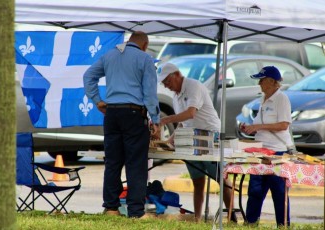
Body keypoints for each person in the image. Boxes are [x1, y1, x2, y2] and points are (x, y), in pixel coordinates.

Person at [83, 31, 161, 219]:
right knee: (135, 164)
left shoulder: (109, 55)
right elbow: (150, 93)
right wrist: (156, 120)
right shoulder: (145, 59)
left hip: (112, 113)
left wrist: (97, 100)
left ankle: (111, 208)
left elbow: (88, 77)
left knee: (113, 162)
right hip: (134, 114)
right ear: (145, 44)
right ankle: (135, 212)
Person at [156, 63, 236, 222]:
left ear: (177, 74)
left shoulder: (194, 86)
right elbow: (182, 122)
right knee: (197, 180)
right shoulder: (176, 95)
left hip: (210, 136)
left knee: (222, 179)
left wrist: (165, 120)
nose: (167, 86)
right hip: (191, 139)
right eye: (164, 84)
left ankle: (231, 217)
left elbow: (191, 113)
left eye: (167, 82)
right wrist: (169, 141)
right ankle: (198, 218)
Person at [239, 66, 293, 226]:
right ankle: (251, 222)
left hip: (277, 151)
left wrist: (258, 127)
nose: (259, 83)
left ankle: (283, 225)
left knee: (279, 192)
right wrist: (248, 127)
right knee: (255, 190)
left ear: (272, 81)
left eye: (261, 80)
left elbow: (284, 125)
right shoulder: (263, 100)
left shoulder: (281, 99)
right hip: (261, 150)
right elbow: (259, 125)